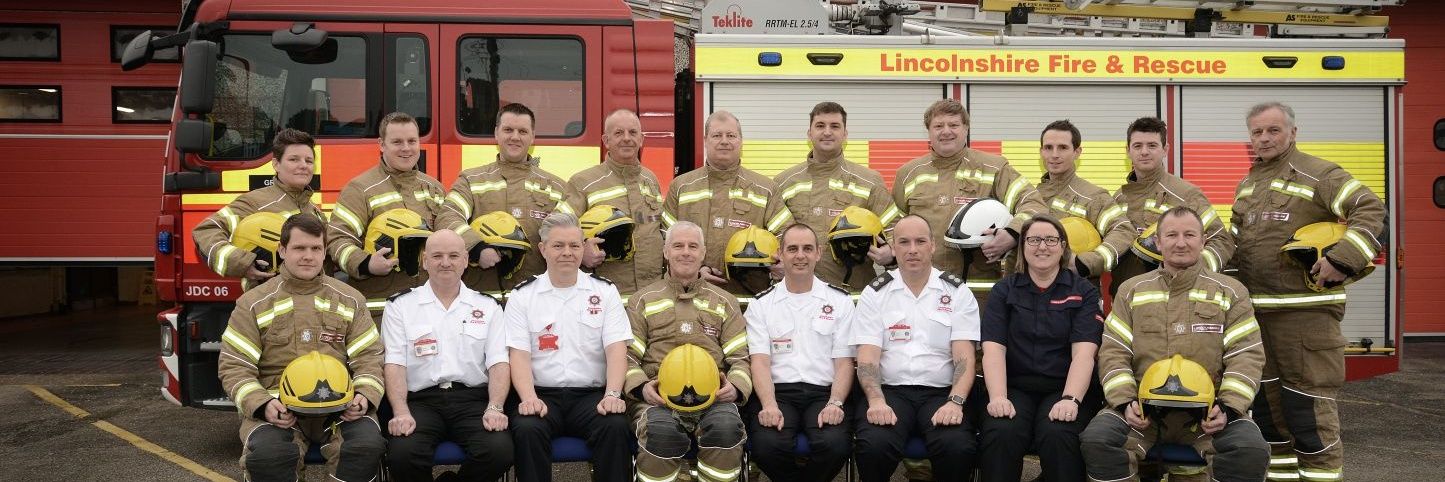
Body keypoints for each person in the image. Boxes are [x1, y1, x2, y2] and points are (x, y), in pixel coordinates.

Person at [1231, 102, 1386, 482]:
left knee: (1310, 420)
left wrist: (1343, 259)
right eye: (1257, 132)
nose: (1264, 138)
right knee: (1270, 423)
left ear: (1293, 132)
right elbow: (1236, 248)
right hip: (1258, 320)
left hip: (1306, 319)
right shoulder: (1249, 184)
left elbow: (1370, 207)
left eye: (1273, 130)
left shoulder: (1318, 174)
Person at [1081, 207, 1269, 482]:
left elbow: (1246, 355)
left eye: (1189, 235)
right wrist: (1125, 402)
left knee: (1249, 449)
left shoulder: (1231, 291)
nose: (1181, 242)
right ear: (1158, 242)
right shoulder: (1132, 290)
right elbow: (1114, 352)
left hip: (1209, 413)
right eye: (1171, 235)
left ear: (1203, 241)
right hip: (1143, 411)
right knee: (1098, 440)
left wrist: (1228, 407)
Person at [217, 214, 386, 482]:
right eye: (299, 248)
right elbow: (234, 367)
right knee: (270, 458)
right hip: (278, 409)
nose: (308, 256)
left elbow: (370, 357)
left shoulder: (350, 299)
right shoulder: (253, 303)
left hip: (341, 409)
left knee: (364, 448)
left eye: (316, 248)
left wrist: (364, 396)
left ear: (324, 252)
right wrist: (262, 405)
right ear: (282, 250)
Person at [503, 212, 633, 482]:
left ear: (583, 247)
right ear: (543, 249)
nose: (567, 253)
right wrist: (528, 397)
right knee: (527, 428)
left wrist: (612, 394)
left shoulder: (605, 292)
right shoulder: (522, 296)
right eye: (558, 245)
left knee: (615, 425)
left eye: (574, 246)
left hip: (590, 397)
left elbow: (616, 349)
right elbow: (519, 354)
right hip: (541, 395)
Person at [850, 215, 981, 482]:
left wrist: (955, 402)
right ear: (893, 248)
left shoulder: (957, 292)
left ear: (932, 245)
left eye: (920, 241)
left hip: (942, 393)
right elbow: (867, 358)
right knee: (874, 445)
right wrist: (876, 401)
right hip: (890, 393)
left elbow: (965, 357)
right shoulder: (875, 293)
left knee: (957, 447)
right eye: (904, 242)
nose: (912, 249)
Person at [381, 229, 514, 482]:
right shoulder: (400, 306)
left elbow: (498, 362)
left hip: (473, 400)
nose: (445, 262)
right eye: (437, 255)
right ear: (424, 261)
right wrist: (400, 411)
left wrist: (495, 407)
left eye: (453, 255)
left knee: (499, 451)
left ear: (465, 260)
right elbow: (395, 363)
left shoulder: (487, 307)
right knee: (402, 454)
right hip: (420, 401)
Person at [977, 215, 1101, 482]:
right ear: (1022, 247)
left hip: (1064, 387)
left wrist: (1070, 399)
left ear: (1063, 246)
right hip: (1015, 387)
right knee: (1001, 431)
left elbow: (1084, 353)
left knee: (1059, 433)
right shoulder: (1004, 290)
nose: (1042, 246)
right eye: (1033, 240)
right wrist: (998, 397)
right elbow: (993, 350)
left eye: (1050, 240)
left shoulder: (1084, 292)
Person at [625, 221, 750, 482]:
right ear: (666, 252)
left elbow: (741, 357)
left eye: (693, 246)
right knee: (661, 434)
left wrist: (736, 387)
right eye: (678, 245)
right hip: (657, 400)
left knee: (727, 430)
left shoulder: (725, 302)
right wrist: (641, 388)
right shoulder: (642, 300)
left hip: (715, 399)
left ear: (703, 253)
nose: (686, 252)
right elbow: (627, 357)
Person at [892, 99, 1049, 302]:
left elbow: (1034, 204)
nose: (946, 131)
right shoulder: (909, 174)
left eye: (954, 125)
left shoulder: (994, 168)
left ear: (966, 128)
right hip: (921, 292)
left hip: (980, 296)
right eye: (938, 126)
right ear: (928, 131)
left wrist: (1012, 233)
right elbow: (893, 223)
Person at [743, 223, 855, 482]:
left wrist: (836, 402)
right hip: (777, 392)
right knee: (767, 447)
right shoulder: (762, 305)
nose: (800, 255)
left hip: (825, 392)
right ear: (780, 254)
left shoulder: (840, 301)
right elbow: (759, 362)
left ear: (818, 253)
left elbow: (844, 362)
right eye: (792, 249)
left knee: (835, 445)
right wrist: (769, 404)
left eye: (807, 249)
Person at [435, 103, 580, 296]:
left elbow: (571, 235)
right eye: (508, 130)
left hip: (538, 301)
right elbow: (447, 217)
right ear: (496, 133)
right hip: (483, 301)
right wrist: (477, 248)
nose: (515, 137)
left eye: (522, 131)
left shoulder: (557, 187)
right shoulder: (471, 180)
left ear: (532, 137)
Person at [327, 111, 447, 318]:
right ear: (382, 145)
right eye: (397, 142)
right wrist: (366, 264)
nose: (406, 148)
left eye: (412, 141)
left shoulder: (435, 189)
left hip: (429, 310)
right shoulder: (360, 189)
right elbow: (337, 240)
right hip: (381, 311)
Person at [662, 110, 792, 296]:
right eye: (717, 135)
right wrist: (694, 271)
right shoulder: (681, 187)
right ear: (705, 140)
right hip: (692, 297)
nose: (724, 141)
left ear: (741, 140)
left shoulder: (765, 189)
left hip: (749, 299)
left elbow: (786, 236)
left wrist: (780, 264)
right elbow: (664, 239)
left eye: (731, 135)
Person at [774, 102, 901, 293]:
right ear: (809, 133)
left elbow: (895, 231)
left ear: (845, 134)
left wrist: (890, 255)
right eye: (820, 126)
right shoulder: (784, 182)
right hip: (797, 294)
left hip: (854, 294)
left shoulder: (869, 181)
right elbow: (770, 236)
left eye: (834, 126)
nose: (827, 132)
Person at [1111, 117, 1232, 294]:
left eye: (1152, 145)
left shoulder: (1186, 193)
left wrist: (1195, 272)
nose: (1144, 152)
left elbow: (1222, 240)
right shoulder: (1118, 197)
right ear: (1128, 151)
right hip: (1125, 295)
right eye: (1137, 146)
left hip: (1173, 296)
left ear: (1165, 149)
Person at [194, 128, 324, 291]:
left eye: (309, 161)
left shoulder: (315, 211)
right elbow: (205, 231)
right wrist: (243, 263)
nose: (303, 166)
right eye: (294, 159)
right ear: (276, 164)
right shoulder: (255, 201)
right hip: (267, 306)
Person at [567, 109, 666, 295]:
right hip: (604, 298)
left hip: (651, 296)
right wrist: (579, 252)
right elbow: (554, 229)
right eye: (619, 133)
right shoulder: (584, 182)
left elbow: (659, 229)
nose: (627, 138)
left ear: (641, 139)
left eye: (633, 132)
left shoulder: (650, 180)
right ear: (606, 141)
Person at [1033, 120, 1135, 282]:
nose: (1054, 155)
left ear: (1077, 152)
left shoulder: (1093, 196)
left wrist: (1086, 262)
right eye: (1048, 148)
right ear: (1041, 152)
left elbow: (1123, 231)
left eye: (1063, 147)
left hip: (1076, 292)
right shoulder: (1031, 196)